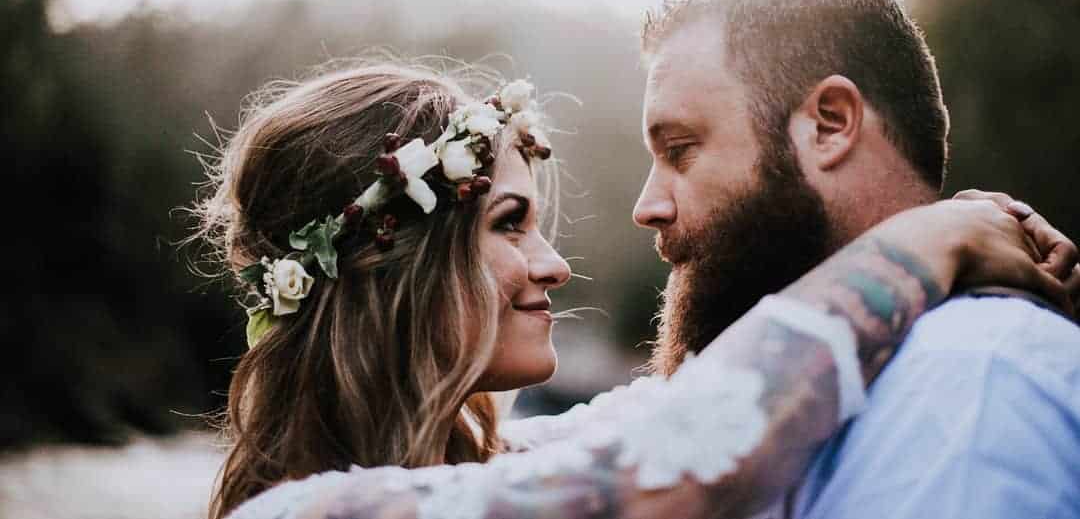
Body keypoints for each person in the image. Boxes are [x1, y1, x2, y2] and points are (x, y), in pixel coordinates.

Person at [198, 60, 1071, 519]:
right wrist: (922, 242)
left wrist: (962, 222)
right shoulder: (300, 514)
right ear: (391, 265)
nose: (554, 264)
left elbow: (720, 394)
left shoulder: (517, 462)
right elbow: (689, 461)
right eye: (509, 222)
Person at [632, 0, 1080, 518]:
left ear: (830, 124)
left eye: (679, 150)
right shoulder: (720, 410)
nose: (646, 207)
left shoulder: (972, 383)